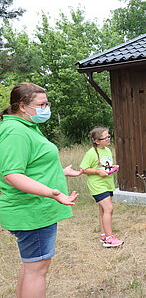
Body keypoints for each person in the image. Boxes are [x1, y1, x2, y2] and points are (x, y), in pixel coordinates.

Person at [0, 82, 80, 298]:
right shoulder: (15, 132)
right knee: (38, 270)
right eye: (41, 104)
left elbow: (32, 166)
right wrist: (53, 193)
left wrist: (59, 172)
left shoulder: (25, 127)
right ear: (23, 106)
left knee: (30, 266)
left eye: (47, 103)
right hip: (32, 212)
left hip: (35, 210)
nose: (47, 108)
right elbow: (12, 175)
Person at [79, 127, 123, 247]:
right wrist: (97, 172)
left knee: (103, 210)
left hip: (108, 184)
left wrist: (112, 167)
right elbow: (83, 169)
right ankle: (109, 239)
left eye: (109, 136)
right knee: (109, 209)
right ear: (97, 141)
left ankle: (103, 235)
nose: (109, 139)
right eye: (105, 138)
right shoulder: (91, 153)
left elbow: (104, 165)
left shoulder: (108, 150)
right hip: (97, 185)